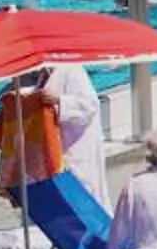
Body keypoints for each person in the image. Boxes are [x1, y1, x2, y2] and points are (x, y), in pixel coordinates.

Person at [25, 61, 108, 201]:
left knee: (86, 193)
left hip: (79, 147)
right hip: (60, 148)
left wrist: (59, 101)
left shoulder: (72, 70)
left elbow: (89, 105)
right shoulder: (44, 76)